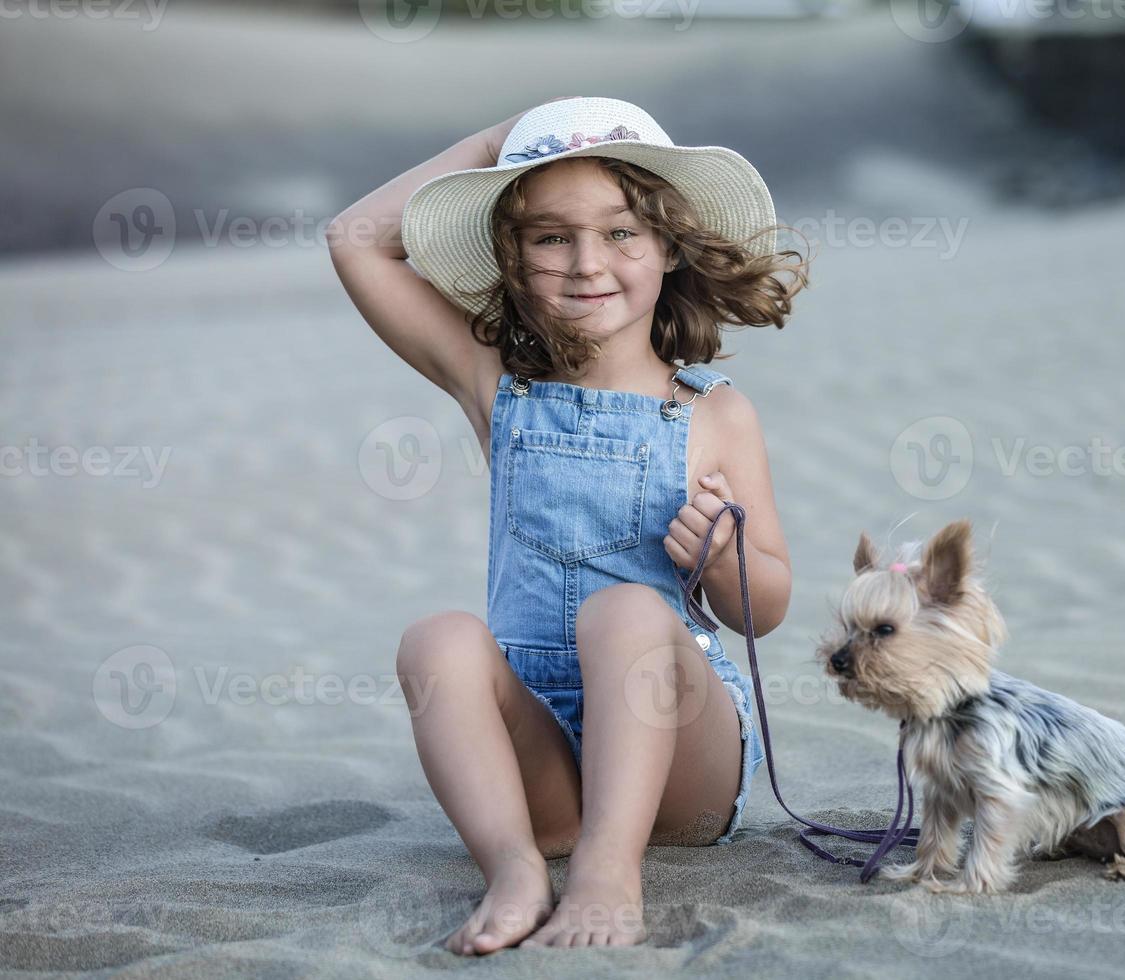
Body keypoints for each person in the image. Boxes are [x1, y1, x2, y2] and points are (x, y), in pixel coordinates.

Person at [327, 96, 809, 952]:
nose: (588, 263)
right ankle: (515, 866)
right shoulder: (495, 387)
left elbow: (764, 610)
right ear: (510, 257)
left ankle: (605, 874)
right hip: (544, 761)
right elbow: (356, 239)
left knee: (624, 610)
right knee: (436, 640)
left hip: (682, 759)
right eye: (551, 236)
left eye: (622, 233)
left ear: (669, 247)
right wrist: (497, 143)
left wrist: (726, 557)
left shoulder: (714, 415)